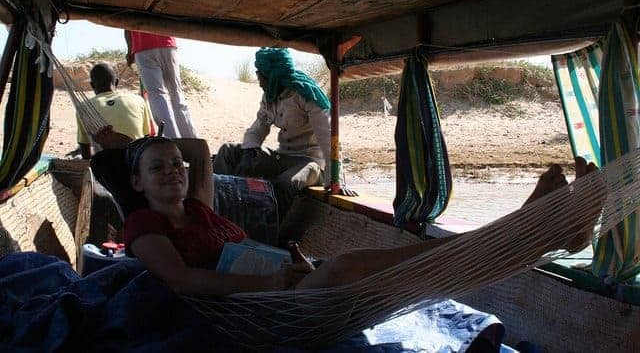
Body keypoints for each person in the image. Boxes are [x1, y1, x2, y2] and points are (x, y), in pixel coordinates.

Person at [93, 128, 602, 296]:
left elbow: (201, 148)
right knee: (369, 264)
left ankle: (543, 230)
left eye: (176, 166)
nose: (175, 172)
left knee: (422, 260)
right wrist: (270, 284)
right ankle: (541, 229)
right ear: (135, 184)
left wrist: (139, 146)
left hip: (286, 284)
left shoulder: (198, 210)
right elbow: (181, 280)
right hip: (258, 309)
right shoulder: (144, 224)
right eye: (157, 169)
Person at [214, 47, 349, 214]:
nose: (258, 79)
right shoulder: (269, 96)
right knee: (228, 151)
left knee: (284, 185)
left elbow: (328, 140)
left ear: (273, 74)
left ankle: (273, 231)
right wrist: (249, 152)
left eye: (260, 74)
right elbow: (258, 128)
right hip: (283, 157)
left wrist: (336, 179)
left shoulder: (307, 95)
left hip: (310, 163)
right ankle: (218, 208)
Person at [124, 30, 197, 139]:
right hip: (166, 43)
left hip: (142, 47)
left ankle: (172, 138)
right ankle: (191, 139)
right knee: (176, 93)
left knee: (157, 95)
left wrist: (130, 51)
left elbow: (127, 27)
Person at [76, 63, 153, 159]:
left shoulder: (84, 107)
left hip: (108, 163)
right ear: (116, 82)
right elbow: (146, 137)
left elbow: (85, 152)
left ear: (92, 85)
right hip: (136, 158)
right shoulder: (138, 100)